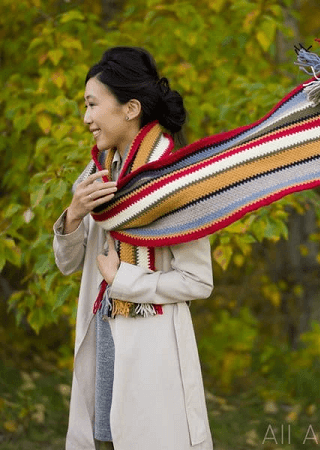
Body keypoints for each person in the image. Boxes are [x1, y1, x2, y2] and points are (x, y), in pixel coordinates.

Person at [53, 47, 214, 450]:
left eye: (93, 104)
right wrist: (72, 215)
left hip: (152, 350)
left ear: (130, 108)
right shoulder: (97, 173)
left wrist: (126, 279)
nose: (86, 118)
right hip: (103, 332)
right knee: (105, 440)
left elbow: (199, 281)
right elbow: (68, 264)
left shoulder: (175, 183)